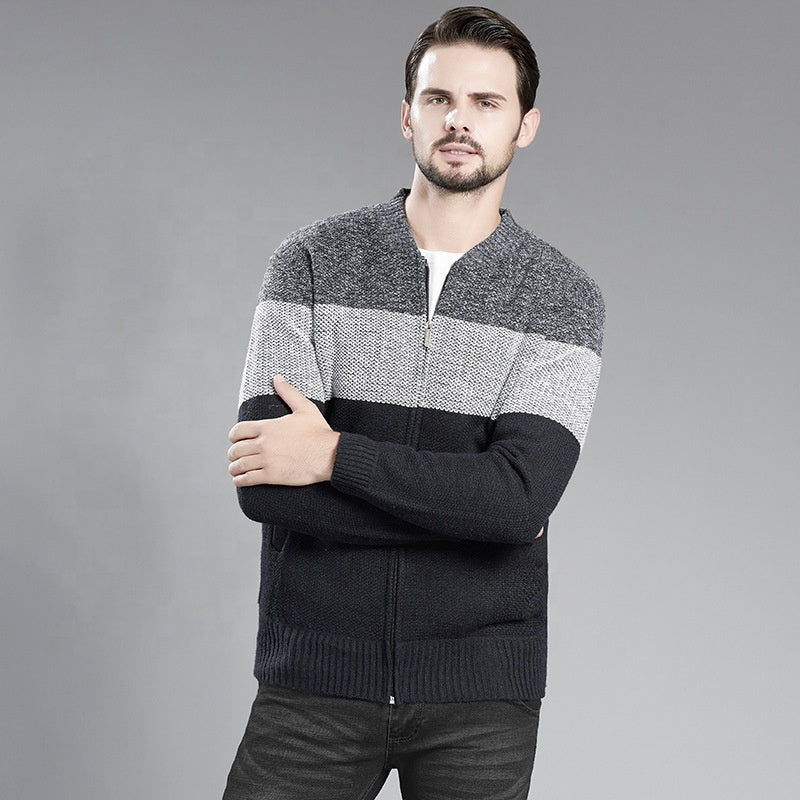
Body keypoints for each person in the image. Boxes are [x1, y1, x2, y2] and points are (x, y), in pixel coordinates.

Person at [222, 6, 604, 799]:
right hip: (313, 686)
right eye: (439, 99)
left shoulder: (560, 298)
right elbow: (265, 487)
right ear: (408, 116)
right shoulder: (311, 263)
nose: (459, 121)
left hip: (481, 700)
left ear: (525, 125)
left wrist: (332, 455)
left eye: (486, 102)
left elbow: (516, 502)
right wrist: (475, 513)